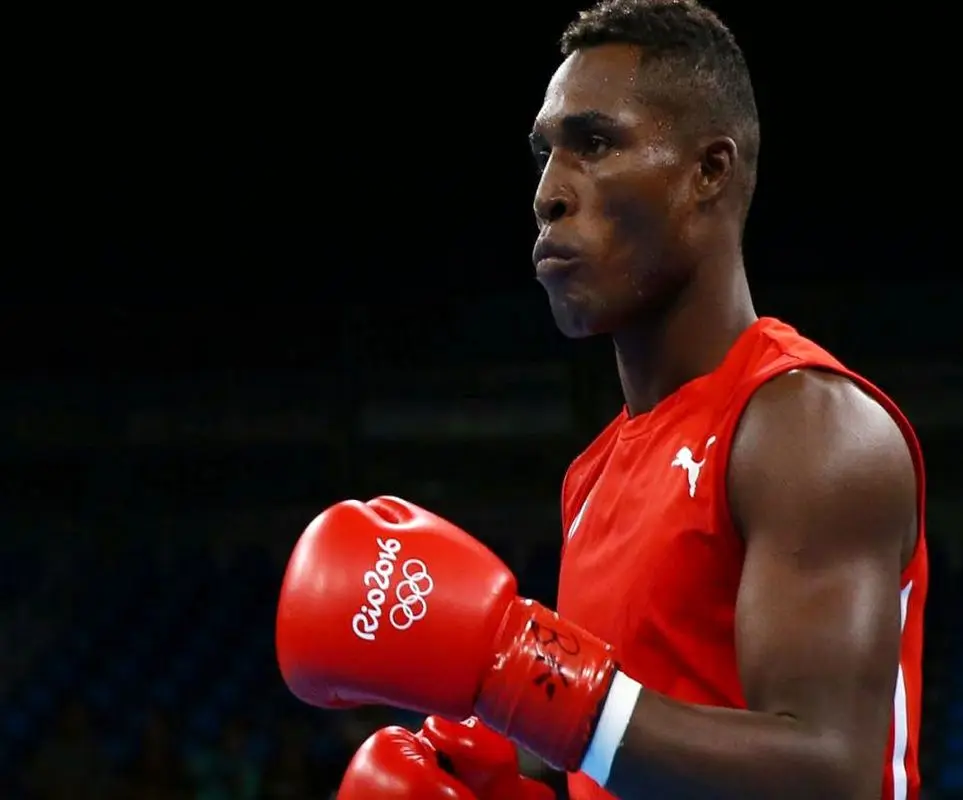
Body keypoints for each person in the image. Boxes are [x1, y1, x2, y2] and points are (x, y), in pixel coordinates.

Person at [276, 1, 928, 798]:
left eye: (592, 144)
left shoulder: (808, 428)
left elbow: (830, 774)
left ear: (709, 172)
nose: (548, 194)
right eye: (543, 155)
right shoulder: (592, 477)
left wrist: (516, 671)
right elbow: (634, 757)